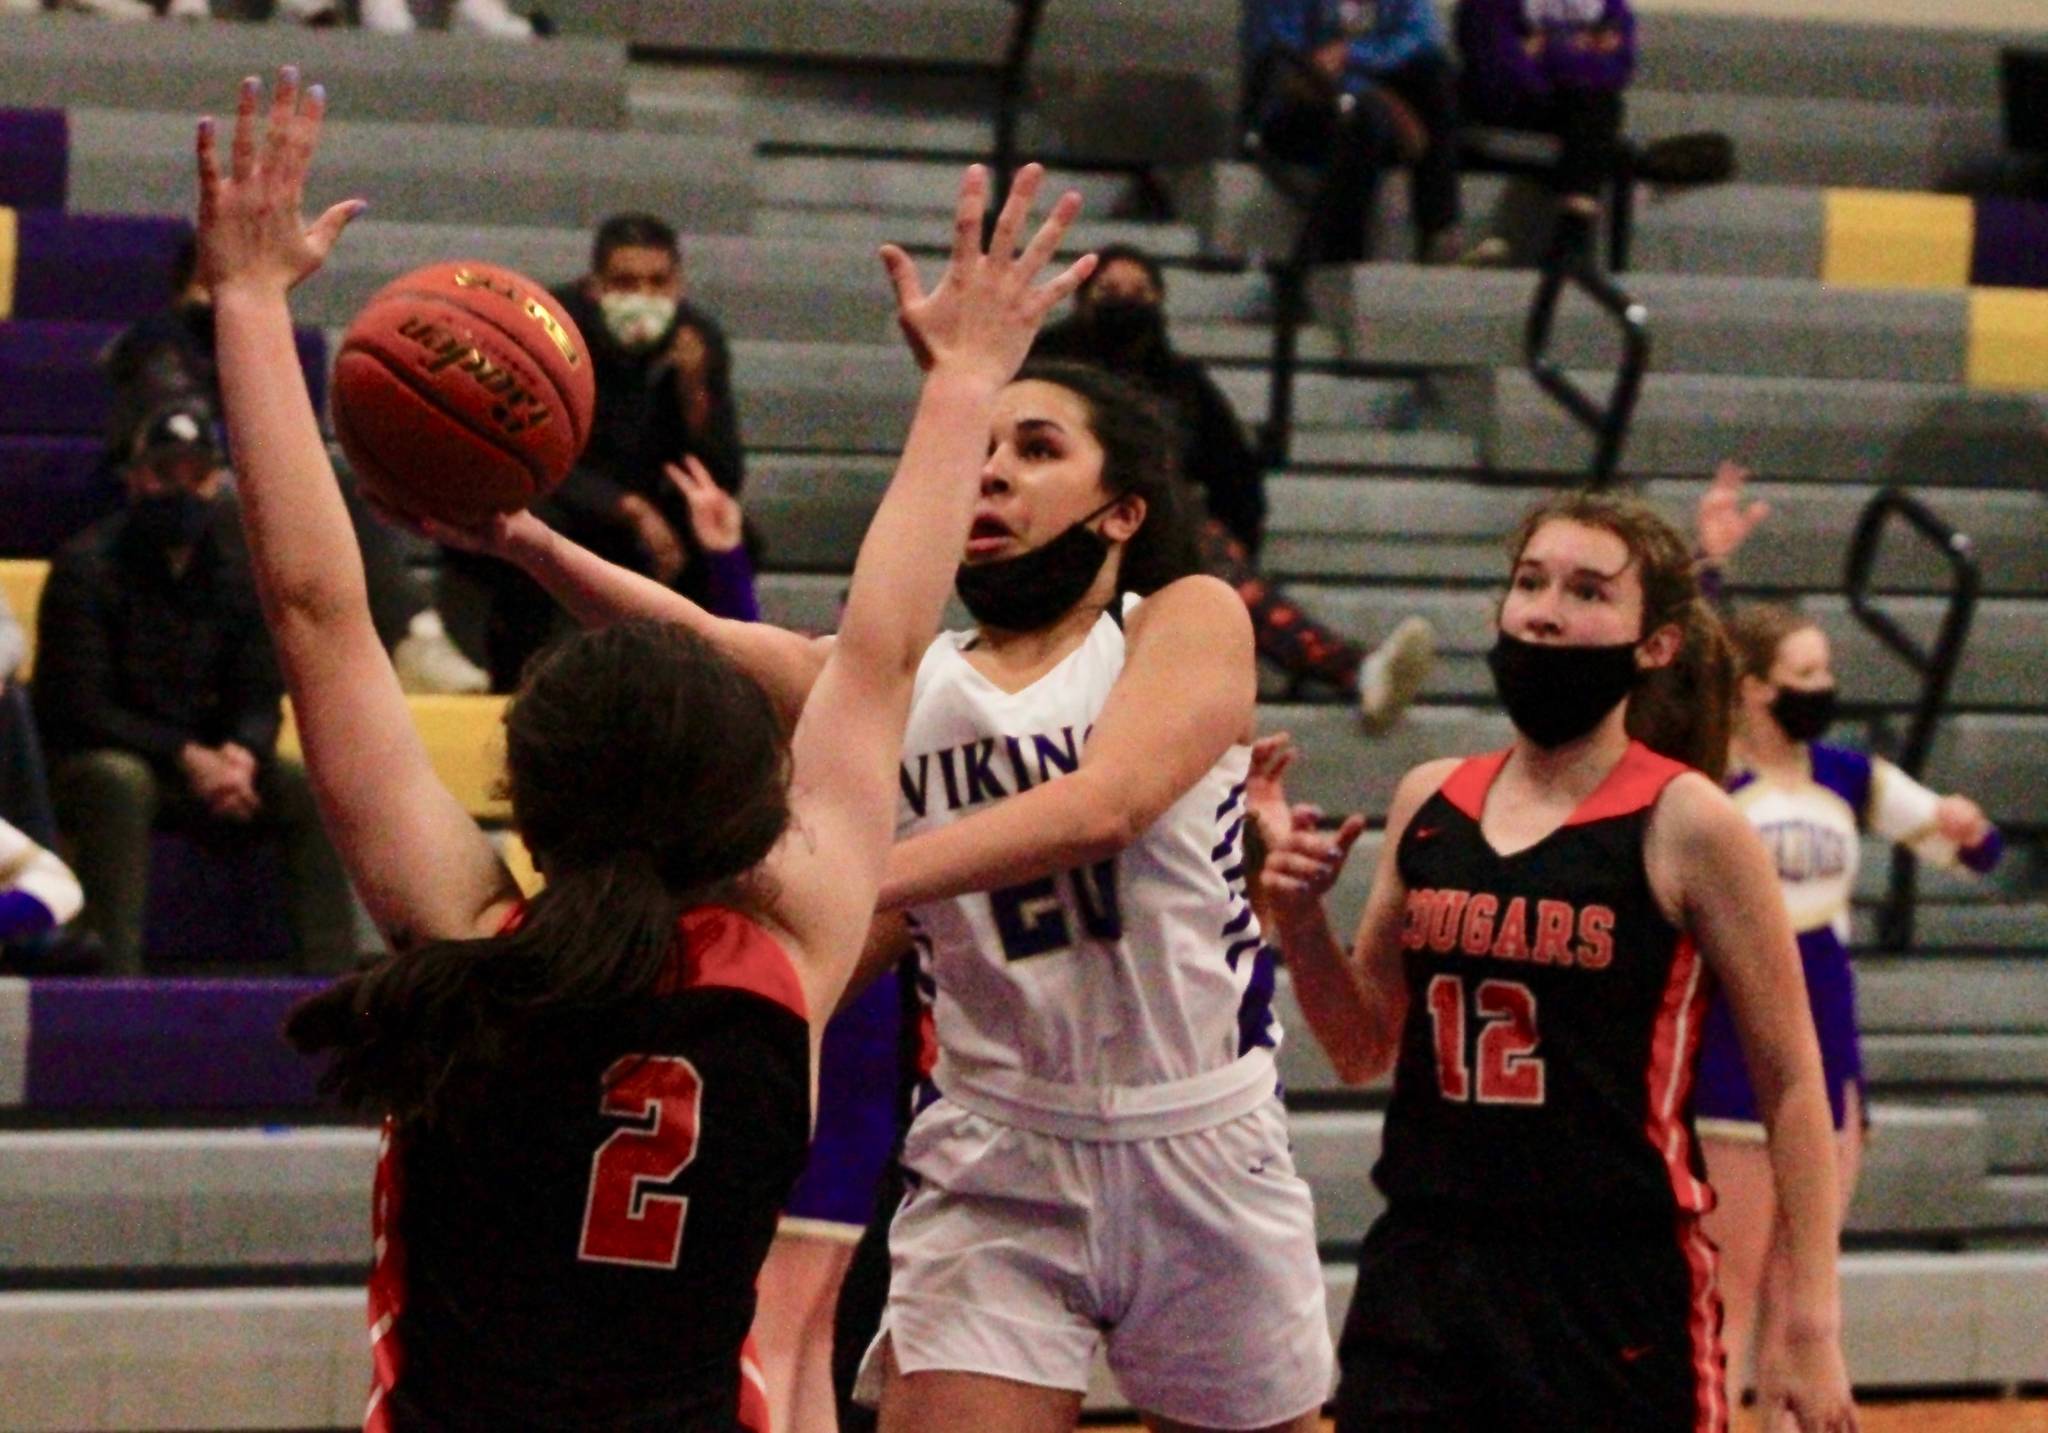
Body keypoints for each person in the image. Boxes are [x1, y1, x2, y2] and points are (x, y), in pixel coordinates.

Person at [198, 66, 1093, 1428]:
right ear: (744, 801)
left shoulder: (465, 943)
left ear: (527, 796)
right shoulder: (789, 963)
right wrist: (967, 377)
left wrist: (251, 302)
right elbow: (882, 653)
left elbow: (320, 616)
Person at [415, 371, 1333, 1433]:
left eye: (1035, 448)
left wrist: (846, 880)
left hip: (1199, 1132)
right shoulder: (917, 683)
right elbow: (704, 644)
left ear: (1122, 509)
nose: (990, 469)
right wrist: (527, 541)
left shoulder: (1182, 619)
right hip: (998, 1144)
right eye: (981, 448)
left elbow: (1106, 806)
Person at [1254, 489, 1859, 1432]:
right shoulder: (1430, 798)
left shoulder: (1691, 820)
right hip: (1426, 1271)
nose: (1544, 608)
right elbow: (1363, 1047)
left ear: (1653, 643)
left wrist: (1812, 1321)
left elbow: (1791, 1078)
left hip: (1612, 1287)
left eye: (1587, 591)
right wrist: (1296, 920)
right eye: (1530, 581)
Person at [1697, 602, 2003, 1410]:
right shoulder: (1712, 779)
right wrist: (1708, 565)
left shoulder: (1848, 773)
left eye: (1827, 672)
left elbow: (1971, 849)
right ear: (1756, 689)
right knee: (1728, 1288)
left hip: (1829, 1039)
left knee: (1805, 1292)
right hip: (1734, 1039)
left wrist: (1967, 828)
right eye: (1805, 676)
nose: (1824, 688)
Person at [1035, 243, 1437, 731]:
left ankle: (1355, 670)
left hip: (1159, 540)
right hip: (1055, 535)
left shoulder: (1180, 381)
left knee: (1208, 555)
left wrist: (1231, 545)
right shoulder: (1047, 368)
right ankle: (1347, 667)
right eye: (1110, 291)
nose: (1124, 302)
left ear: (1159, 302)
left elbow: (1235, 476)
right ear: (1082, 300)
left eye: (1139, 292)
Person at [33, 400, 355, 975]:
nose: (180, 490)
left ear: (216, 481)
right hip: (106, 761)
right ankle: (114, 981)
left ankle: (331, 984)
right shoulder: (85, 567)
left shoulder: (238, 571)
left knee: (306, 786)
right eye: (163, 472)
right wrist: (186, 756)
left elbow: (260, 692)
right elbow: (79, 708)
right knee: (119, 780)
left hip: (207, 765)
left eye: (196, 474)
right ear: (134, 477)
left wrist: (242, 755)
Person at [445, 211, 747, 690]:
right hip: (564, 493)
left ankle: (710, 690)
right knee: (533, 522)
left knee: (731, 532)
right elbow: (525, 447)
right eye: (625, 282)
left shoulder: (697, 339)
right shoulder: (551, 329)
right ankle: (521, 684)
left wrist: (695, 392)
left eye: (657, 282)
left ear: (678, 285)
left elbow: (724, 474)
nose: (643, 297)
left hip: (652, 509)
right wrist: (628, 509)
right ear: (595, 286)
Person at [1242, 0, 1465, 263]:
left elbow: (1423, 39)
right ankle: (1340, 260)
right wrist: (1373, 96)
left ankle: (1439, 230)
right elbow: (1284, 69)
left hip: (1374, 110)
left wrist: (1353, 54)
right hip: (1299, 111)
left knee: (1433, 76)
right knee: (1366, 118)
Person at [1454, 0, 1635, 266]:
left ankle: (1572, 228)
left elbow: (1618, 70)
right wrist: (1579, 53)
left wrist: (1546, 51)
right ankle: (1571, 231)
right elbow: (1500, 68)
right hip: (1507, 103)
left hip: (1574, 106)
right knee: (1592, 117)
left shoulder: (1607, 7)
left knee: (1600, 108)